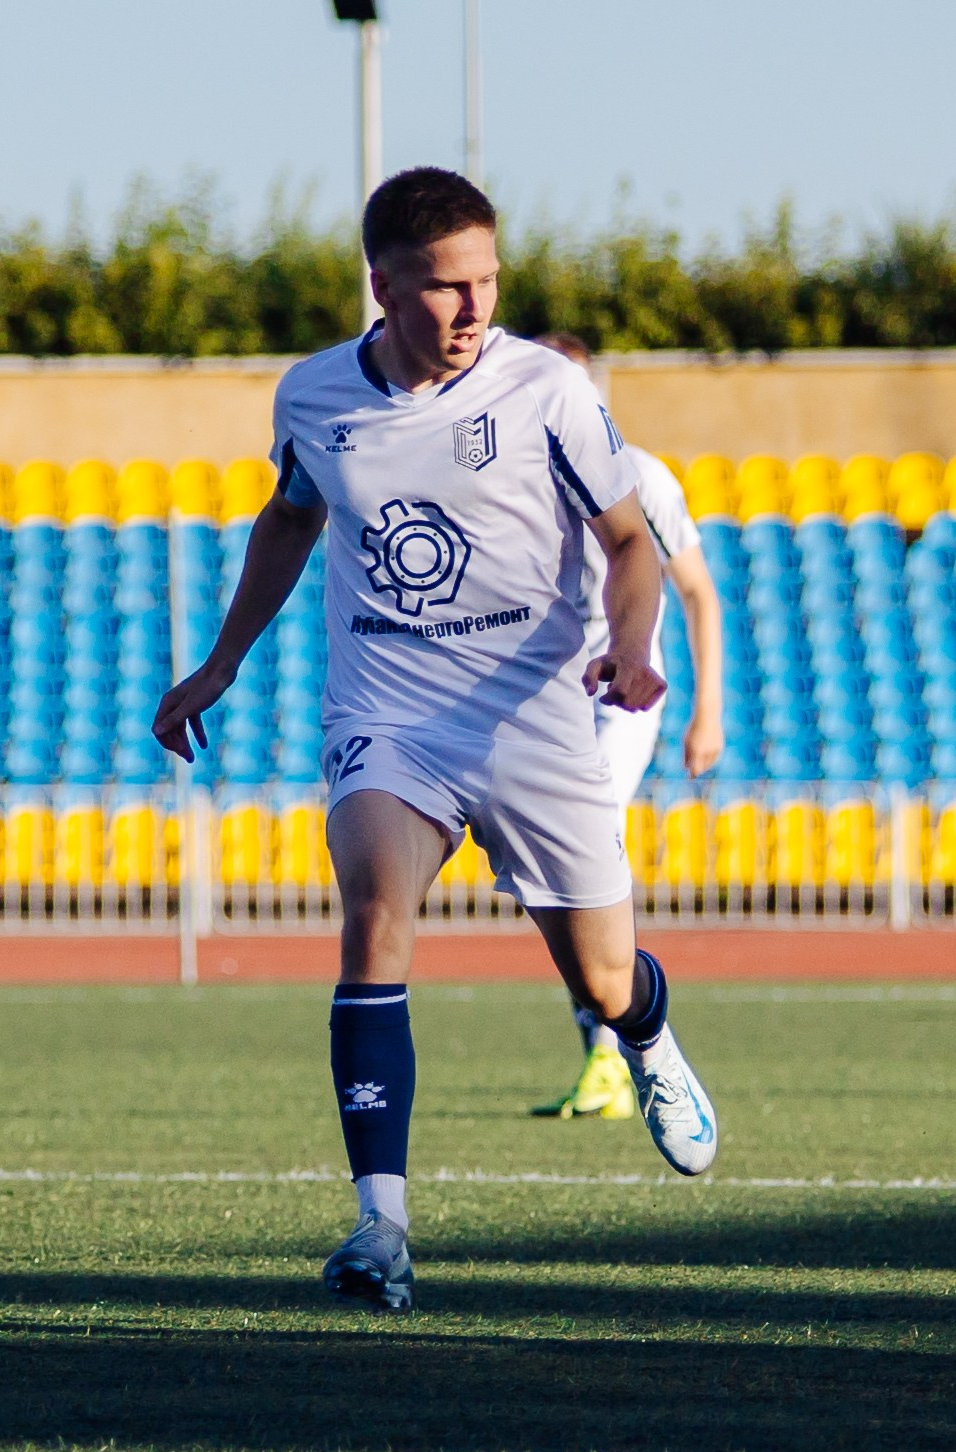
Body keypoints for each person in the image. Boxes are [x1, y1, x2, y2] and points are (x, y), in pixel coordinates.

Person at [152, 167, 719, 1313]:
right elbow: (291, 517)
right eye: (446, 287)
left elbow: (631, 543)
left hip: (534, 719)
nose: (472, 308)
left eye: (487, 282)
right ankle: (382, 1227)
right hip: (391, 718)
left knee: (603, 979)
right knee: (373, 916)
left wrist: (631, 648)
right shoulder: (316, 396)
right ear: (384, 287)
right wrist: (221, 660)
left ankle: (648, 1036)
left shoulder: (545, 390)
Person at [524, 332, 726, 1121]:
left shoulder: (640, 475)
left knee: (585, 838)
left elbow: (697, 591)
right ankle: (607, 1043)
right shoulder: (509, 476)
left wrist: (708, 710)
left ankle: (623, 1045)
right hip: (541, 699)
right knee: (549, 867)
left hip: (620, 696)